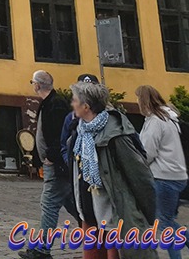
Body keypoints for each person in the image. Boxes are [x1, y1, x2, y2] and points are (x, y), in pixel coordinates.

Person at [69, 80, 156, 259]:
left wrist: (146, 215)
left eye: (75, 100)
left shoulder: (115, 135)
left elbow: (140, 176)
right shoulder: (80, 132)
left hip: (112, 212)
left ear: (86, 106)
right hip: (88, 209)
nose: (72, 104)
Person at [19, 70, 73, 259]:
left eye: (33, 82)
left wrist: (51, 156)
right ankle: (99, 234)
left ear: (37, 85)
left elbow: (61, 134)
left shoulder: (56, 104)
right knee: (74, 205)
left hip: (57, 164)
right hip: (53, 163)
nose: (32, 85)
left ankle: (42, 249)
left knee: (49, 203)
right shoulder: (49, 103)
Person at [136, 85, 187, 259]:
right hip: (176, 175)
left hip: (164, 176)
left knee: (164, 224)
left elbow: (148, 152)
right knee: (167, 220)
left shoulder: (156, 121)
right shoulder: (168, 118)